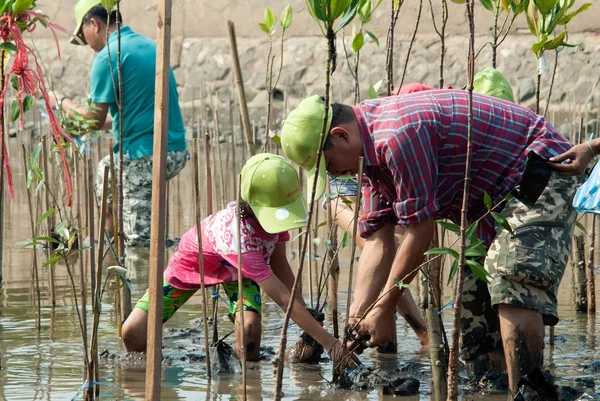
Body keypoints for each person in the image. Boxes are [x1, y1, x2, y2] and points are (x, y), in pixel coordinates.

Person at [280, 88, 580, 396]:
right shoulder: (369, 156)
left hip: (542, 168)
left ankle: (531, 392)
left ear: (341, 136)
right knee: (474, 307)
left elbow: (420, 230)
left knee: (511, 278)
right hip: (490, 203)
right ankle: (493, 390)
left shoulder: (398, 135)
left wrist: (383, 308)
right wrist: (358, 317)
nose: (333, 173)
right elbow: (377, 237)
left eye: (328, 164)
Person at [121, 153, 359, 371]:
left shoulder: (275, 223)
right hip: (195, 264)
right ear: (251, 207)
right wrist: (330, 343)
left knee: (249, 332)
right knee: (133, 333)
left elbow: (282, 268)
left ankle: (247, 378)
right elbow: (281, 298)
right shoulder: (238, 235)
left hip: (240, 273)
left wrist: (306, 315)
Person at [48, 0, 188, 247]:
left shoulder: (108, 57)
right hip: (175, 150)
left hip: (146, 156)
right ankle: (113, 245)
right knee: (106, 171)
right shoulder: (149, 46)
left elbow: (92, 119)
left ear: (94, 24)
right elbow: (120, 119)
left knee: (138, 243)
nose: (85, 43)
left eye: (83, 35)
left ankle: (144, 255)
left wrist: (61, 102)